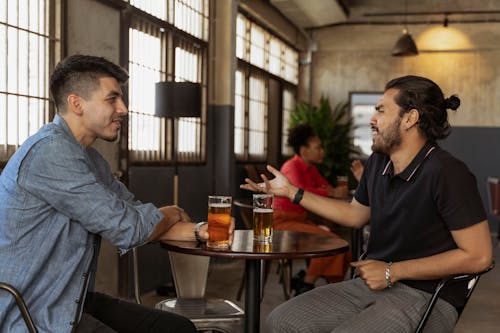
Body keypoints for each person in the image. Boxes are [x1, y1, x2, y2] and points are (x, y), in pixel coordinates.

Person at [0, 55, 233, 333]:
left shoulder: (90, 160)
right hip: (33, 311)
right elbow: (130, 227)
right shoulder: (50, 153)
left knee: (178, 328)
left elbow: (135, 217)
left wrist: (199, 230)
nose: (123, 109)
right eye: (112, 99)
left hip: (71, 299)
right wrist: (171, 212)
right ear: (77, 104)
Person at [242, 75, 492, 333]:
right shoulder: (378, 162)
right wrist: (291, 191)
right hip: (372, 283)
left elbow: (479, 256)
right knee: (281, 321)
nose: (373, 119)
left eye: (381, 111)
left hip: (428, 296)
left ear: (410, 118)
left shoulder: (448, 172)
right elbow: (354, 214)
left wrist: (392, 271)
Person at [274, 124, 351, 295]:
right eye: (318, 148)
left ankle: (325, 285)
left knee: (343, 247)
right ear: (303, 150)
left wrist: (332, 191)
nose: (322, 151)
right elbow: (299, 190)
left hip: (299, 220)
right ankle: (305, 285)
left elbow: (326, 187)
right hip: (282, 223)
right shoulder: (292, 166)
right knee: (331, 242)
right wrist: (331, 192)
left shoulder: (310, 168)